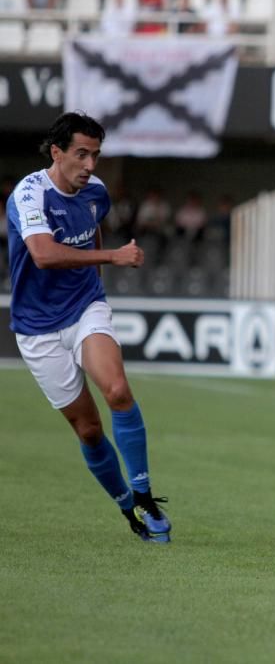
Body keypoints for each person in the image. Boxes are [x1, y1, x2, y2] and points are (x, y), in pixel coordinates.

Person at [5, 113, 171, 542]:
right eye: (81, 153)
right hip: (37, 329)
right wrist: (111, 258)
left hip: (84, 308)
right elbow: (42, 254)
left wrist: (95, 282)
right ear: (56, 152)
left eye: (95, 154)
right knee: (89, 429)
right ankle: (126, 507)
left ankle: (145, 495)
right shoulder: (28, 194)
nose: (90, 165)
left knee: (117, 390)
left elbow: (90, 231)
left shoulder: (96, 193)